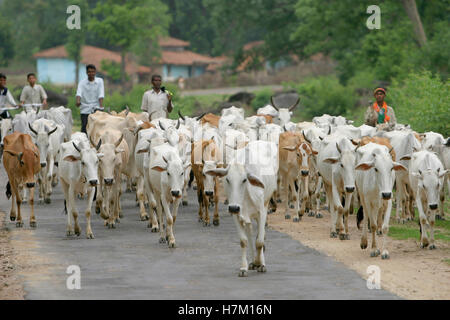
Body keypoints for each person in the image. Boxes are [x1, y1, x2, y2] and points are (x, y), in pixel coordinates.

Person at [76, 64, 104, 133]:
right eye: (89, 72)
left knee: (98, 127)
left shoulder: (100, 81)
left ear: (95, 72)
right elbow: (79, 93)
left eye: (92, 72)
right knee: (85, 128)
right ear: (86, 72)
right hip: (85, 109)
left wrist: (100, 106)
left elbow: (101, 94)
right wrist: (78, 101)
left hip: (96, 108)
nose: (91, 73)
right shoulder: (82, 83)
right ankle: (84, 141)